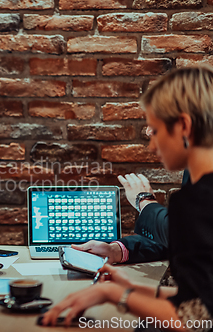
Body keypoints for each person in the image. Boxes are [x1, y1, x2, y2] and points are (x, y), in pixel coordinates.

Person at [41, 66, 213, 328]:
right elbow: (201, 298)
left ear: (184, 126)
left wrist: (114, 294)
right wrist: (130, 283)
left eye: (154, 131)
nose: (152, 145)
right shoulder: (198, 188)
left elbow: (196, 320)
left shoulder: (198, 200)